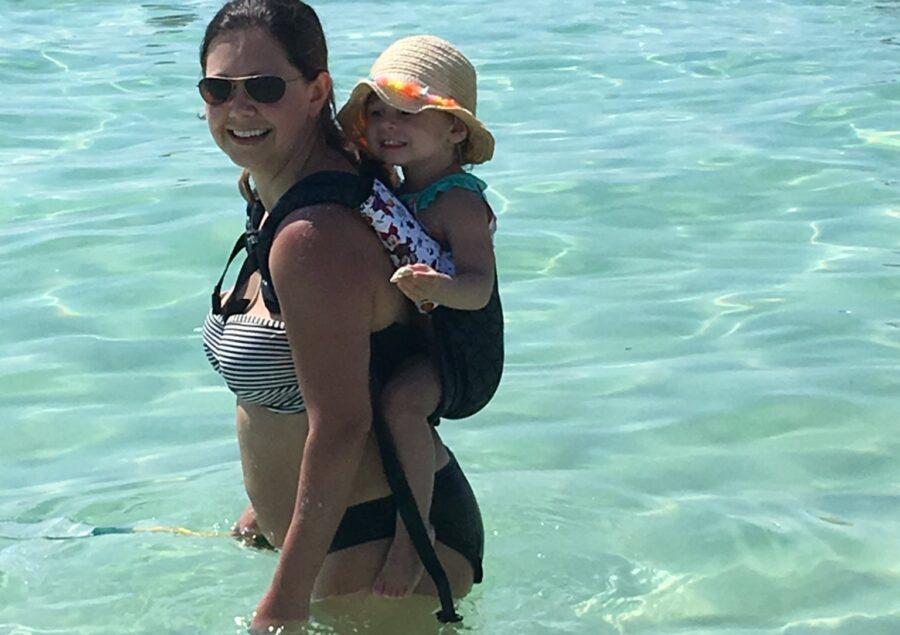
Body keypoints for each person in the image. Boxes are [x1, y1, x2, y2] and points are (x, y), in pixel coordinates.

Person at [196, 1, 486, 631]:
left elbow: (343, 425)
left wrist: (283, 605)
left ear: (317, 91)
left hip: (382, 549)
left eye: (265, 88)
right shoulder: (278, 198)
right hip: (340, 537)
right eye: (219, 89)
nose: (238, 108)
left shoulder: (314, 237)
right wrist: (263, 507)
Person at [336, 35, 500, 598]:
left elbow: (480, 290)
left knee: (402, 404)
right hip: (425, 337)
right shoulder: (401, 188)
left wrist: (441, 286)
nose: (387, 124)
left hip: (463, 352)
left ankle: (415, 537)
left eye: (408, 112)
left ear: (455, 129)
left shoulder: (458, 201)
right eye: (376, 111)